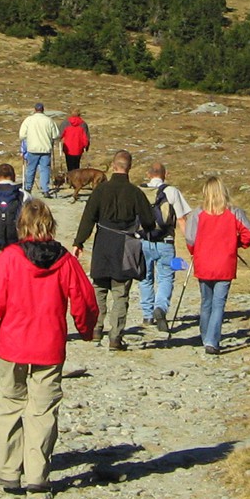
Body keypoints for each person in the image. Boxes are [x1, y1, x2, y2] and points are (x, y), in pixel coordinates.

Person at [0, 198, 98, 499]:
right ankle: (37, 475)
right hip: (49, 345)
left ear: (21, 225)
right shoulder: (64, 259)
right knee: (42, 411)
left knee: (10, 404)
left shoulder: (9, 258)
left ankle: (8, 470)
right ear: (50, 224)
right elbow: (84, 298)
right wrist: (86, 327)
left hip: (14, 345)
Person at [70, 150, 157, 351]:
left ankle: (96, 329)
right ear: (130, 167)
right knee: (120, 292)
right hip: (125, 245)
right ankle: (115, 337)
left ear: (113, 165)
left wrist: (79, 242)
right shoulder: (135, 193)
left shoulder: (100, 191)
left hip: (103, 244)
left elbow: (88, 218)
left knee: (99, 288)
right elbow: (149, 221)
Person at [185, 176, 250, 355]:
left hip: (204, 262)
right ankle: (212, 340)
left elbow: (190, 239)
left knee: (206, 302)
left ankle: (206, 337)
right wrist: (237, 243)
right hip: (225, 262)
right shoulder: (234, 212)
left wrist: (195, 251)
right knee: (218, 304)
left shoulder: (197, 214)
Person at [138, 163, 192, 330]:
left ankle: (147, 315)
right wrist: (191, 242)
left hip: (142, 241)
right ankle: (160, 308)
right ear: (165, 174)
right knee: (166, 278)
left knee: (144, 278)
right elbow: (182, 219)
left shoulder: (139, 191)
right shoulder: (172, 191)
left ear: (148, 174)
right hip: (166, 242)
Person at [17, 103, 62, 197]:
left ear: (35, 109)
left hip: (32, 149)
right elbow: (56, 135)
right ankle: (45, 189)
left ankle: (28, 188)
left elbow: (21, 135)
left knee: (31, 169)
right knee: (45, 170)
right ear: (43, 109)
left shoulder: (29, 120)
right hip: (45, 149)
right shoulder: (49, 120)